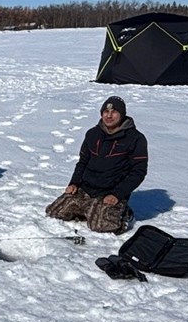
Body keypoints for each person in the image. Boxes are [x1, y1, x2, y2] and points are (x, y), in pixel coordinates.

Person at [45, 95, 148, 233]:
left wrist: (117, 194)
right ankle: (89, 209)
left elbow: (138, 172)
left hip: (111, 192)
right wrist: (74, 183)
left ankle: (124, 214)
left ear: (122, 115)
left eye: (114, 112)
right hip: (87, 188)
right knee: (54, 212)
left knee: (99, 226)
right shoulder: (93, 134)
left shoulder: (136, 139)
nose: (109, 116)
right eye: (106, 112)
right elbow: (82, 162)